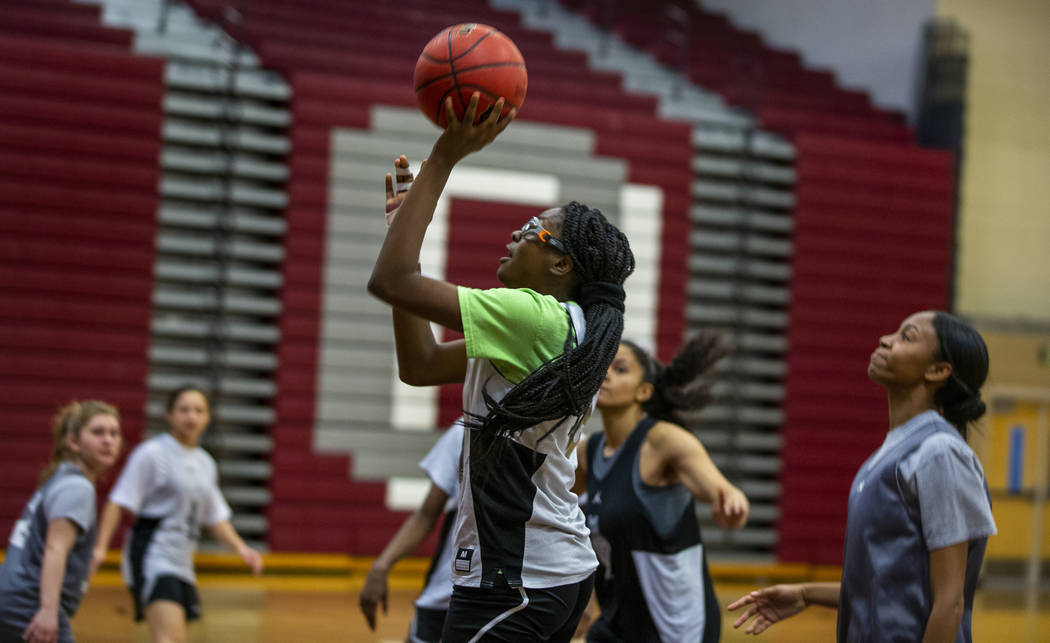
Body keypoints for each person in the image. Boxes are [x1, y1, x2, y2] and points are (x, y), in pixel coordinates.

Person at [367, 93, 634, 642]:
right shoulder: (564, 325)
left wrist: (442, 159)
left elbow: (389, 282)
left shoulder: (532, 318)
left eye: (533, 228)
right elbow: (418, 365)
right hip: (552, 573)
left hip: (515, 577)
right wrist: (402, 232)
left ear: (562, 263)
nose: (515, 234)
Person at [729, 311, 997, 642]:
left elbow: (950, 602)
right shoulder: (891, 453)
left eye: (906, 337)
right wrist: (805, 594)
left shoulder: (939, 452)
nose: (886, 339)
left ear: (938, 371)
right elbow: (885, 588)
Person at [576, 333, 750, 642]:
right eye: (604, 365)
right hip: (617, 619)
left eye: (620, 369)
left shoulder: (663, 441)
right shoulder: (587, 452)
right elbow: (560, 519)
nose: (606, 373)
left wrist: (731, 499)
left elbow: (715, 486)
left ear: (643, 391)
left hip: (674, 624)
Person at [92, 386, 263, 643]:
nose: (191, 417)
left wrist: (242, 549)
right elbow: (118, 501)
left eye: (199, 410)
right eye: (184, 409)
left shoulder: (206, 463)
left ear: (207, 417)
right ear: (169, 414)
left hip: (183, 562)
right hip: (153, 556)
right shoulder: (151, 453)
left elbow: (215, 517)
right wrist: (100, 548)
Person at [0, 400, 123, 643]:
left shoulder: (59, 479)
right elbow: (55, 549)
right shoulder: (78, 487)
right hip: (28, 603)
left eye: (114, 433)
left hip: (11, 598)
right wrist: (47, 611)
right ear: (73, 441)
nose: (108, 440)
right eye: (98, 432)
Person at [359, 418, 464, 642]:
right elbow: (427, 514)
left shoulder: (550, 430)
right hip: (447, 596)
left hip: (521, 593)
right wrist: (381, 566)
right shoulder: (465, 432)